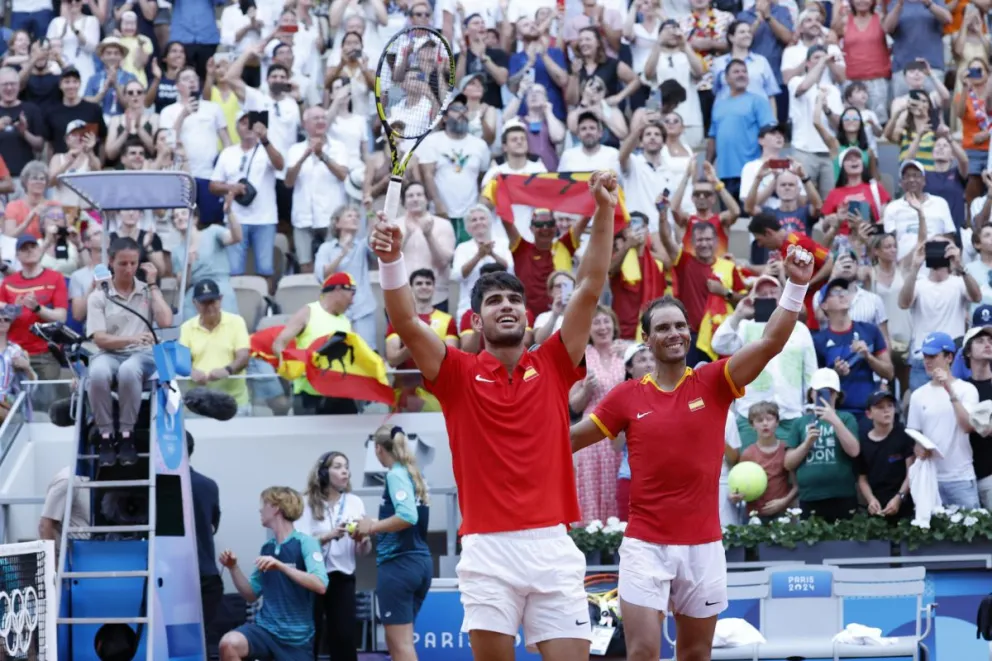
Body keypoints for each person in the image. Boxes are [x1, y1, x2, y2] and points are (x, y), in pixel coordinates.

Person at [367, 171, 618, 661]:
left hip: (552, 545)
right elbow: (404, 322)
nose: (507, 306)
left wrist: (604, 208)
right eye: (494, 301)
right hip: (486, 549)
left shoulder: (552, 362)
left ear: (527, 317)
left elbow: (589, 285)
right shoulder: (455, 372)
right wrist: (392, 258)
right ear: (475, 321)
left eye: (515, 300)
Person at [570, 242, 816, 661]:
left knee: (695, 655)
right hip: (645, 545)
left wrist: (796, 285)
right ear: (647, 339)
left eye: (680, 325)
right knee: (643, 652)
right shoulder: (625, 396)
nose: (675, 333)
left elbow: (772, 341)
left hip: (703, 545)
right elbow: (567, 442)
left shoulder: (713, 380)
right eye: (663, 328)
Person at [86, 236, 173, 468]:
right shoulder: (98, 296)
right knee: (97, 372)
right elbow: (100, 339)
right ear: (111, 262)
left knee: (129, 370)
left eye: (133, 263)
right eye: (123, 263)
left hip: (142, 355)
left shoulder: (147, 290)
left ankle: (127, 434)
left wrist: (153, 284)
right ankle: (106, 435)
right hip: (110, 353)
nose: (129, 269)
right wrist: (131, 338)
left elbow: (165, 321)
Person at [217, 487, 329, 661]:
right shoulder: (267, 548)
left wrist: (282, 567)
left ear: (276, 508)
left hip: (296, 640)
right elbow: (251, 595)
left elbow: (320, 584)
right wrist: (233, 567)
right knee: (229, 644)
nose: (260, 510)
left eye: (265, 504)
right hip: (265, 631)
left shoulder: (306, 543)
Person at [352, 426, 432, 661]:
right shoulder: (413, 473)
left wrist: (373, 527)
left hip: (399, 565)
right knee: (399, 642)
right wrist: (370, 524)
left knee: (400, 645)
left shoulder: (396, 474)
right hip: (419, 562)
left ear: (377, 448)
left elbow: (408, 516)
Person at [297, 452, 370, 661]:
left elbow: (363, 552)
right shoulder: (307, 503)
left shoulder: (355, 502)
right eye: (338, 466)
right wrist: (328, 536)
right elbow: (301, 543)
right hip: (313, 577)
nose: (344, 471)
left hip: (342, 576)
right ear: (323, 472)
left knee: (344, 637)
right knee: (311, 636)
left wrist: (362, 540)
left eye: (346, 466)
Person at [855, 390, 914, 519]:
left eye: (890, 406)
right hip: (876, 507)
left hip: (904, 506)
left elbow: (912, 472)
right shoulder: (863, 442)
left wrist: (899, 497)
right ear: (869, 414)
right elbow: (862, 478)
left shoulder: (905, 435)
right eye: (880, 407)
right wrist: (870, 499)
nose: (886, 410)